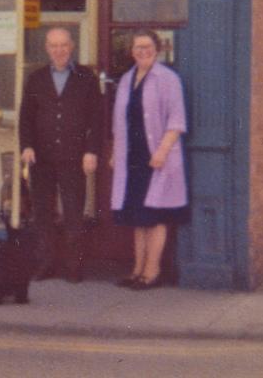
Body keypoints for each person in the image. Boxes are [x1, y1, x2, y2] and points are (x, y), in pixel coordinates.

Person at [19, 26, 102, 283]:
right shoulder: (36, 78)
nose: (59, 50)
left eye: (63, 45)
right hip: (40, 157)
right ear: (47, 48)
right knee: (42, 213)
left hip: (74, 156)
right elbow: (26, 118)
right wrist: (27, 146)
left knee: (73, 212)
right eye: (54, 45)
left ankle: (74, 267)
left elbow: (97, 119)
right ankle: (45, 265)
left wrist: (92, 151)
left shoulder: (86, 77)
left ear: (72, 47)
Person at [110, 29, 188, 289]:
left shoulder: (168, 79)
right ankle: (137, 270)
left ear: (157, 49)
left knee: (155, 216)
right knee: (137, 217)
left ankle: (152, 272)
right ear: (131, 52)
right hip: (131, 157)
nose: (142, 51)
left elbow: (176, 121)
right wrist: (114, 153)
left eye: (147, 47)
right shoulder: (126, 79)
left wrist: (162, 152)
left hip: (156, 157)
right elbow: (119, 122)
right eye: (137, 47)